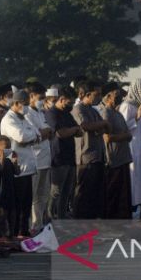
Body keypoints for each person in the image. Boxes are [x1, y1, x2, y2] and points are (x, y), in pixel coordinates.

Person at [0, 90, 39, 236]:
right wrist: (31, 136)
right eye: (26, 104)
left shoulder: (23, 118)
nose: (28, 107)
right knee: (15, 204)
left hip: (28, 167)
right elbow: (21, 137)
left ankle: (24, 230)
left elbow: (37, 133)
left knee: (26, 204)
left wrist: (32, 136)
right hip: (16, 167)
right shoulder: (8, 119)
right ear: (16, 104)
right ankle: (14, 231)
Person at [71, 81, 107, 219]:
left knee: (94, 194)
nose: (99, 97)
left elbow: (104, 129)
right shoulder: (78, 109)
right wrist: (102, 124)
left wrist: (100, 126)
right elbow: (86, 126)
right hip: (85, 157)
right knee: (83, 193)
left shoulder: (93, 110)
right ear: (87, 94)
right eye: (96, 95)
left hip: (97, 155)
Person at [98, 82, 133, 219]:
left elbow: (128, 133)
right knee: (113, 194)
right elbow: (107, 137)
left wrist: (127, 136)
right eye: (116, 94)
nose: (119, 97)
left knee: (123, 196)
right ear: (108, 96)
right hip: (114, 159)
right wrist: (125, 136)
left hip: (123, 158)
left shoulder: (117, 113)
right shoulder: (106, 113)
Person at [46, 86, 81, 219]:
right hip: (58, 157)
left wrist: (71, 130)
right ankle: (49, 217)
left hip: (70, 157)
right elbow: (60, 133)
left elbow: (79, 131)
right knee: (56, 191)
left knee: (67, 191)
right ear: (61, 99)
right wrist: (73, 130)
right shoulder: (52, 113)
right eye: (69, 102)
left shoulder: (67, 114)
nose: (71, 105)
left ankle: (61, 217)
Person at [119, 78, 141, 212]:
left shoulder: (139, 105)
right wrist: (136, 118)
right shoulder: (127, 105)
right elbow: (123, 126)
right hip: (132, 147)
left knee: (140, 178)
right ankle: (130, 206)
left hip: (140, 146)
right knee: (133, 179)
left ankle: (137, 206)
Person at [26, 82, 52, 233]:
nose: (43, 100)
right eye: (40, 97)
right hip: (34, 160)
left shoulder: (41, 113)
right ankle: (33, 225)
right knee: (34, 195)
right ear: (31, 97)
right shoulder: (27, 113)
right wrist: (45, 132)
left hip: (45, 159)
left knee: (43, 195)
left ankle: (40, 223)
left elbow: (49, 131)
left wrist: (45, 132)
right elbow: (36, 135)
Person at [0, 136, 19, 240]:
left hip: (10, 192)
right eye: (6, 148)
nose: (8, 150)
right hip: (0, 194)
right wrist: (2, 158)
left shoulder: (8, 161)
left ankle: (10, 235)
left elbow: (17, 172)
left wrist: (15, 162)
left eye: (9, 148)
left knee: (11, 215)